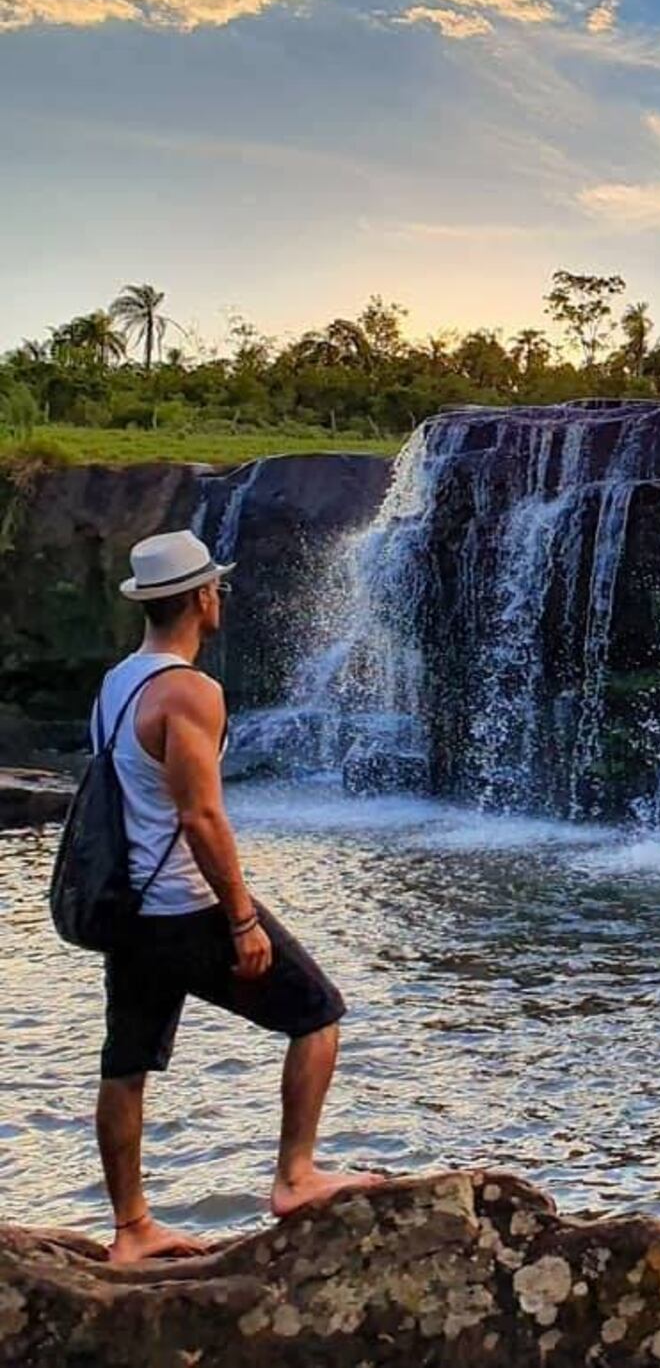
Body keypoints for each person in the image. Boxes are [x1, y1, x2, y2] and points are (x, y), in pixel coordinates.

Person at [93, 530, 378, 1262]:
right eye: (214, 587)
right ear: (199, 598)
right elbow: (200, 815)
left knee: (126, 1062)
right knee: (317, 1014)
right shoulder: (190, 690)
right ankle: (296, 1175)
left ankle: (130, 1230)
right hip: (188, 907)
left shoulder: (119, 682)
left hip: (130, 911)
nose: (220, 596)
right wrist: (242, 918)